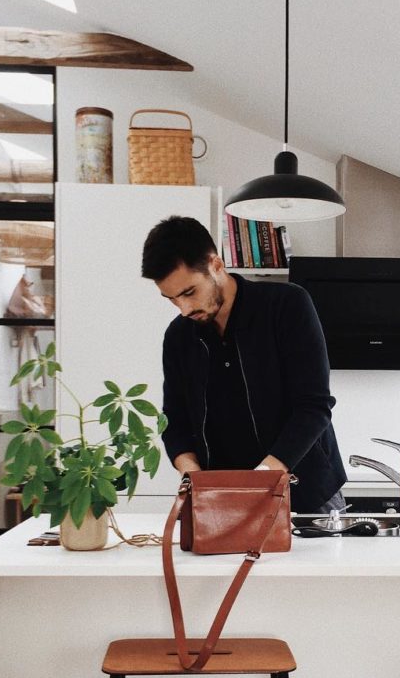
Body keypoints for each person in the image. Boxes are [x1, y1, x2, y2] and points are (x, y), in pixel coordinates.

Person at [141, 215, 346, 514]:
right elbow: (175, 420)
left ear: (216, 265)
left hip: (307, 495)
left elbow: (313, 406)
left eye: (189, 292)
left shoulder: (286, 306)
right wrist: (193, 478)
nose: (183, 309)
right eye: (171, 299)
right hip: (224, 503)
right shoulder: (178, 336)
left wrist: (261, 481)